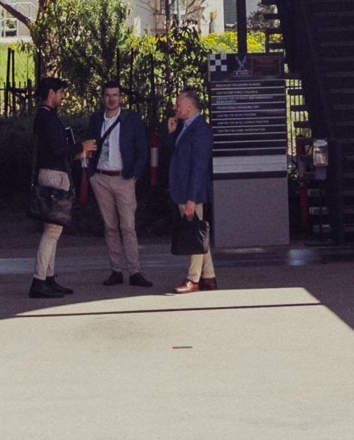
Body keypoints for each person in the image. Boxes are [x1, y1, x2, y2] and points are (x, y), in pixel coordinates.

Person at [80, 82, 150, 286]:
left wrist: (134, 175)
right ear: (103, 98)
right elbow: (88, 145)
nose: (111, 99)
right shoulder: (95, 119)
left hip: (124, 178)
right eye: (108, 95)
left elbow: (142, 149)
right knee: (109, 226)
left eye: (115, 95)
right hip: (101, 178)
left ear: (121, 98)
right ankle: (116, 270)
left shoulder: (131, 119)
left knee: (128, 226)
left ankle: (135, 271)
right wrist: (91, 174)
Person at [24, 77, 80, 298]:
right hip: (53, 174)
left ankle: (48, 277)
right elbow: (57, 149)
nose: (63, 96)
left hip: (53, 172)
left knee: (54, 228)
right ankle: (39, 280)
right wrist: (79, 147)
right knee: (52, 231)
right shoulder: (46, 118)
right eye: (61, 92)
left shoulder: (46, 116)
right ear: (51, 93)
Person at [163, 88, 216, 294]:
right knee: (197, 233)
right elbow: (175, 154)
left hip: (191, 191)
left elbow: (199, 167)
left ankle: (193, 279)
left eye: (178, 104)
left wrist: (192, 198)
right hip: (183, 189)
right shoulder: (184, 127)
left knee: (195, 234)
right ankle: (209, 277)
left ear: (189, 107)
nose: (175, 107)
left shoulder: (201, 130)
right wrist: (171, 133)